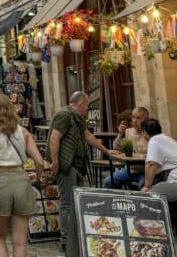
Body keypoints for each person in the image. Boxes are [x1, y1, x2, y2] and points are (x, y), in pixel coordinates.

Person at [0, 94, 49, 257]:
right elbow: (39, 161)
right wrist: (37, 177)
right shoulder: (23, 132)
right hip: (20, 179)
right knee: (20, 241)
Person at [49, 91, 110, 257]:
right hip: (67, 165)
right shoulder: (64, 115)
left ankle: (78, 237)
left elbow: (87, 135)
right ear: (80, 103)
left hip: (77, 165)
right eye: (87, 105)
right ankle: (66, 240)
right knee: (67, 202)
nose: (88, 109)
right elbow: (54, 138)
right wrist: (55, 162)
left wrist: (106, 151)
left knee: (79, 202)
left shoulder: (77, 118)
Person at [103, 106, 150, 190]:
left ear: (146, 120)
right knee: (108, 182)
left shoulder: (150, 133)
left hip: (145, 172)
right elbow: (116, 148)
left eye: (138, 118)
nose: (135, 121)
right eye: (133, 117)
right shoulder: (128, 131)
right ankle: (123, 200)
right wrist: (120, 134)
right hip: (129, 170)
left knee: (142, 186)